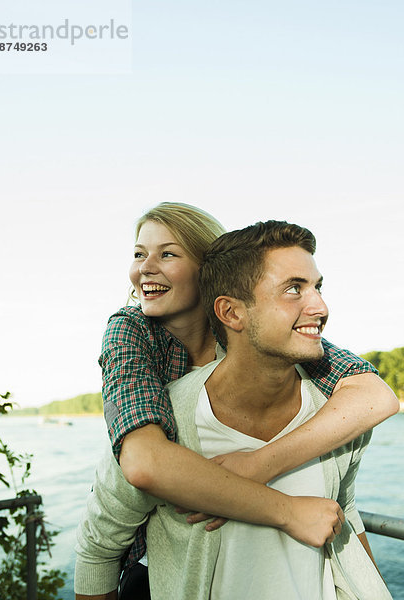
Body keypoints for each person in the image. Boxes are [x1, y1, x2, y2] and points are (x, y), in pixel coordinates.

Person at [75, 219, 393, 599]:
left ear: (203, 270)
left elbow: (375, 398)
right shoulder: (142, 357)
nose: (320, 307)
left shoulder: (318, 388)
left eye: (169, 253)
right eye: (293, 288)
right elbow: (142, 467)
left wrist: (258, 463)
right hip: (151, 569)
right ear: (230, 311)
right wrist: (288, 511)